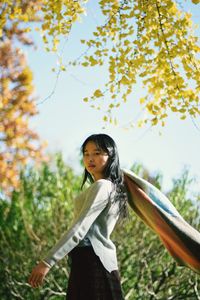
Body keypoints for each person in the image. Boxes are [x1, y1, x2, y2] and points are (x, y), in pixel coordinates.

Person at [28, 133, 128, 299]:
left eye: (97, 153)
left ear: (111, 156)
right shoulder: (112, 187)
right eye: (86, 153)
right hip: (96, 262)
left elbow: (80, 228)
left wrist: (47, 262)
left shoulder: (102, 186)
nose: (90, 158)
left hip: (92, 261)